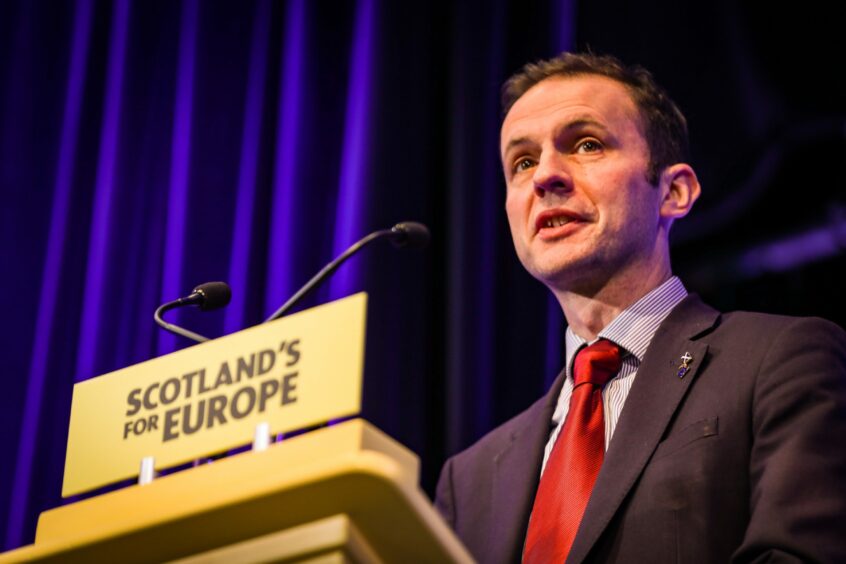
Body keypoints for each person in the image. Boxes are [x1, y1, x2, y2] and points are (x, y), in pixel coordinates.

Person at [434, 52, 846, 564]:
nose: (544, 177)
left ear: (674, 191)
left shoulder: (779, 361)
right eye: (522, 162)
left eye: (586, 144)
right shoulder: (470, 478)